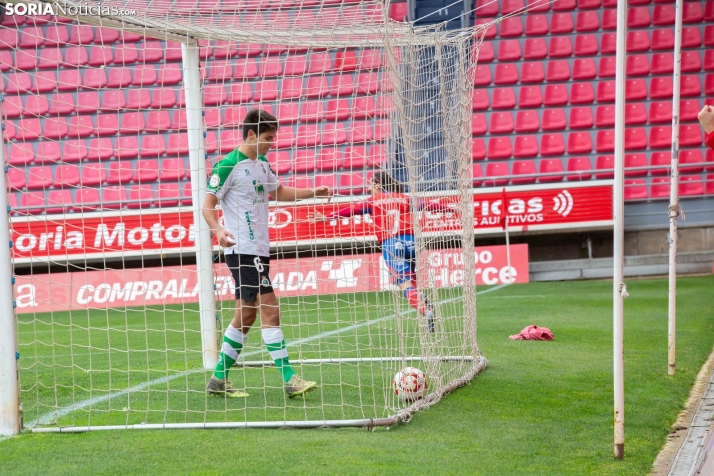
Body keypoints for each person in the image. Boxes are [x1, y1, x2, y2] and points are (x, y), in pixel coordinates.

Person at [202, 108, 331, 398]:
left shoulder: (261, 164)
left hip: (259, 250)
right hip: (242, 250)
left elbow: (279, 191)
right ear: (251, 134)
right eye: (268, 138)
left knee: (246, 315)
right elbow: (207, 205)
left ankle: (218, 379)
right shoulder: (227, 165)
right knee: (270, 311)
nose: (272, 143)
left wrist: (313, 193)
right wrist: (218, 230)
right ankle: (289, 378)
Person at [307, 171, 457, 333]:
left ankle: (425, 310)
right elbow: (427, 205)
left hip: (391, 245)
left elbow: (350, 211)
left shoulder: (373, 201)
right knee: (410, 278)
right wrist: (451, 209)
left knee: (404, 284)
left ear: (378, 185)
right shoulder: (404, 197)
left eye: (371, 184)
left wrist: (326, 217)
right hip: (411, 243)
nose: (369, 187)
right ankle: (421, 299)